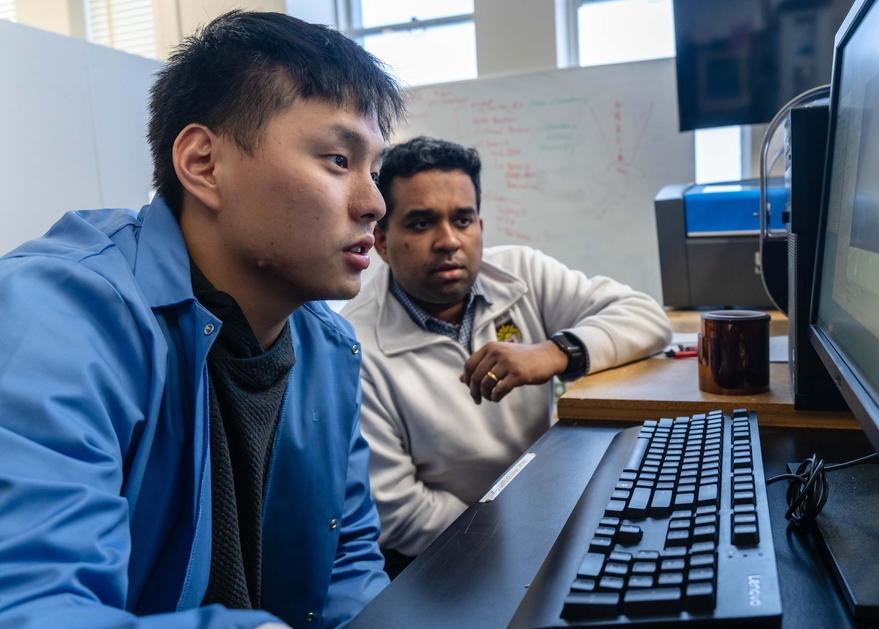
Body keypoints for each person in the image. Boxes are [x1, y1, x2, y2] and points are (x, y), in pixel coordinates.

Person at [0, 11, 404, 627]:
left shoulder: (328, 348)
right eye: (336, 159)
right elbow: (35, 609)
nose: (375, 203)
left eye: (374, 170)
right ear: (203, 164)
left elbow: (348, 567)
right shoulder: (61, 313)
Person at [340, 136, 672, 570]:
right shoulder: (354, 344)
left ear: (480, 226)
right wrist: (517, 542)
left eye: (462, 220)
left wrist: (557, 353)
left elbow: (647, 317)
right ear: (381, 241)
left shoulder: (520, 273)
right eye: (421, 224)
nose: (448, 241)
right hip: (457, 558)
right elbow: (400, 511)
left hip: (556, 507)